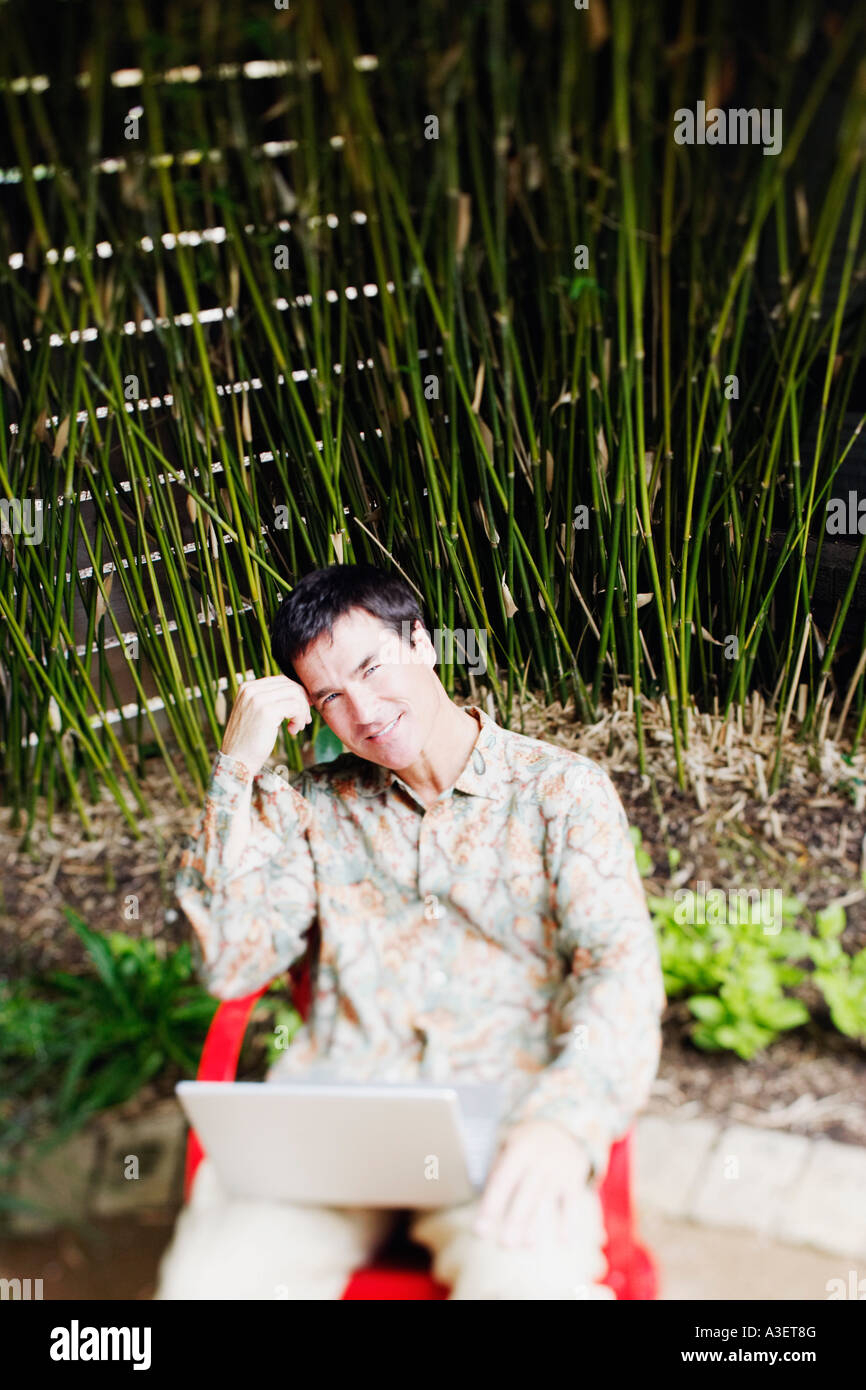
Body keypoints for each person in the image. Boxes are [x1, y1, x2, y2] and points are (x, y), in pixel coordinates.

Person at [154, 563, 665, 1300]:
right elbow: (232, 966)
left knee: (527, 1286)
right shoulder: (312, 807)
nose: (363, 709)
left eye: (372, 666)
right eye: (331, 695)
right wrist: (235, 769)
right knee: (213, 1285)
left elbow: (619, 972)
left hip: (504, 1126)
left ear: (421, 642)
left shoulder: (560, 792)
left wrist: (564, 1121)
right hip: (337, 1126)